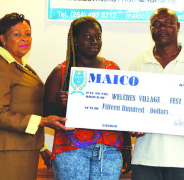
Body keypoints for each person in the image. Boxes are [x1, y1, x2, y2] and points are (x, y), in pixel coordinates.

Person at [0, 13, 74, 180]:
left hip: (24, 148)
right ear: (3, 38)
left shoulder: (21, 65)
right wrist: (44, 121)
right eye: (17, 34)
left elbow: (27, 107)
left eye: (28, 34)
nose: (25, 39)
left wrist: (41, 147)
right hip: (5, 152)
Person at [129, 8, 184, 180]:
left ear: (178, 26)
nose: (162, 28)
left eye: (167, 23)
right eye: (156, 24)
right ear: (150, 29)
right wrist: (130, 126)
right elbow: (129, 108)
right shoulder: (138, 62)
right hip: (145, 158)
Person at [44, 16, 131, 180]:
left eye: (98, 37)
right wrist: (62, 105)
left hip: (109, 151)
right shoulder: (61, 72)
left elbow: (122, 111)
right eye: (88, 37)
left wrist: (127, 147)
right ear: (75, 40)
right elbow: (46, 113)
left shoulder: (112, 69)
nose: (94, 41)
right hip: (71, 151)